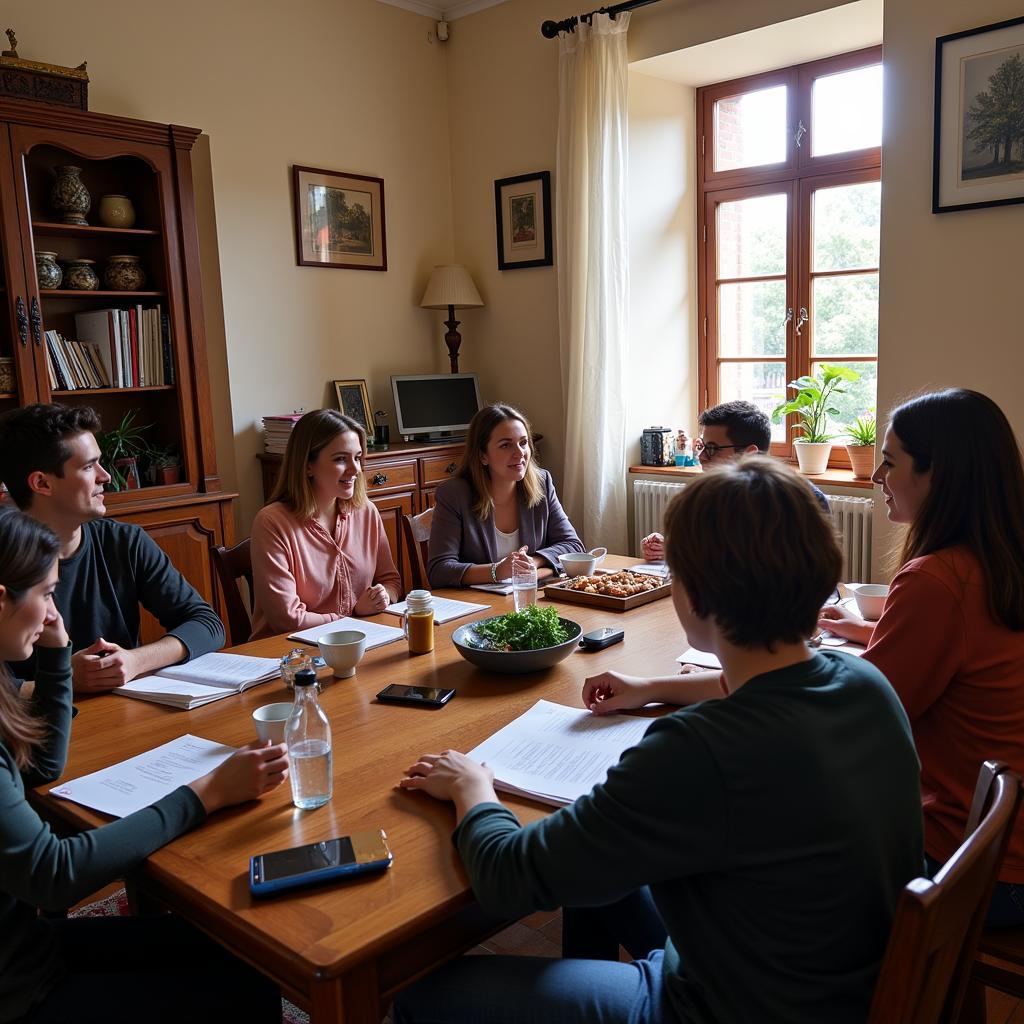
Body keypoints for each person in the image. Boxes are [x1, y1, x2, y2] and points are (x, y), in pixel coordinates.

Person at [397, 457, 923, 1024]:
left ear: (692, 597)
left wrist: (474, 789)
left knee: (425, 998)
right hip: (826, 978)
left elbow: (507, 876)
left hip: (726, 1004)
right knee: (600, 881)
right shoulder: (865, 682)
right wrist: (647, 686)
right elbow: (744, 687)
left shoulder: (697, 750)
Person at [0, 504, 288, 1023]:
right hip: (16, 991)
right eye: (46, 595)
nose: (52, 610)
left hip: (27, 948)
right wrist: (205, 793)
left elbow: (42, 766)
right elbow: (54, 874)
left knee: (246, 956)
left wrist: (56, 652)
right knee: (247, 990)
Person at [818, 388, 1024, 927]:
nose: (876, 477)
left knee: (768, 846)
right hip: (1006, 844)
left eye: (890, 462)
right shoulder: (1000, 561)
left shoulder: (938, 580)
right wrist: (871, 633)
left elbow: (857, 720)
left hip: (978, 870)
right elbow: (974, 652)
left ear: (939, 474)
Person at [0, 405, 224, 693]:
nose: (105, 476)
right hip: (29, 726)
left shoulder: (125, 542)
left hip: (125, 712)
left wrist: (134, 661)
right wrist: (64, 682)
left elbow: (208, 625)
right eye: (88, 466)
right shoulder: (8, 561)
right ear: (42, 482)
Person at [249, 408, 400, 640]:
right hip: (288, 656)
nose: (355, 470)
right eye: (341, 459)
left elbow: (391, 581)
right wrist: (352, 617)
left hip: (357, 642)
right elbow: (287, 619)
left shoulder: (366, 511)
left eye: (358, 458)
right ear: (307, 465)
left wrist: (384, 595)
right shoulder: (271, 523)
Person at [641, 400, 829, 561]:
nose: (702, 457)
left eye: (713, 449)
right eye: (702, 446)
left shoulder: (806, 501)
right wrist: (669, 549)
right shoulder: (710, 495)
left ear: (749, 454)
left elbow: (810, 574)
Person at [427, 404, 584, 588]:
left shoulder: (542, 482)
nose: (519, 453)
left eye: (523, 443)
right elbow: (439, 570)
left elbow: (573, 545)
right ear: (482, 456)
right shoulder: (454, 494)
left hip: (528, 598)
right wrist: (497, 571)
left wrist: (533, 562)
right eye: (505, 445)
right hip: (478, 606)